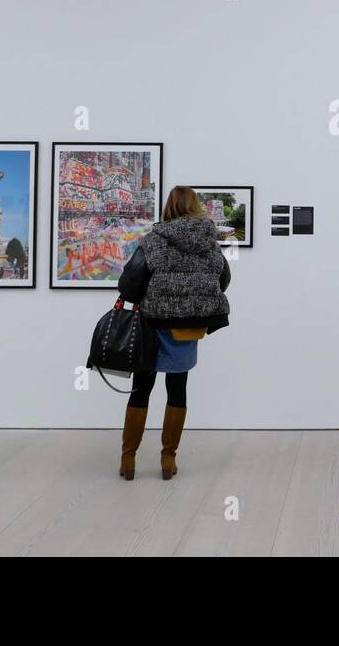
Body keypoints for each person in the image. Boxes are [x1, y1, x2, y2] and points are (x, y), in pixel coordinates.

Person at [114, 186, 230, 481]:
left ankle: (129, 460)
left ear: (169, 208)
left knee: (142, 389)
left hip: (151, 326)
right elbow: (224, 279)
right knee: (177, 390)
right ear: (194, 207)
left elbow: (128, 285)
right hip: (187, 328)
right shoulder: (210, 243)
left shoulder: (153, 241)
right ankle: (168, 459)